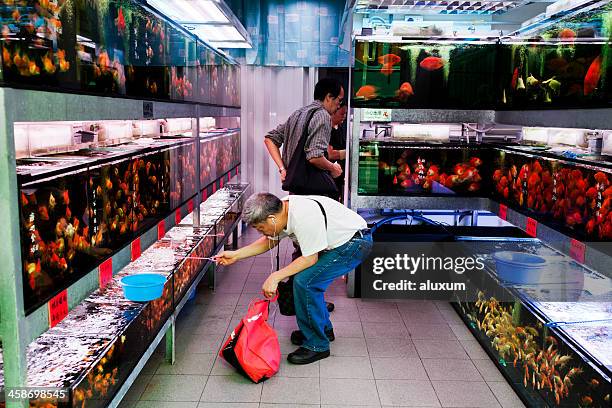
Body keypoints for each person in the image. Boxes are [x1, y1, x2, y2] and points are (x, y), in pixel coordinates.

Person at [214, 193, 373, 364]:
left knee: (305, 282)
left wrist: (275, 276)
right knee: (307, 281)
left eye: (260, 228)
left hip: (354, 244)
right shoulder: (281, 209)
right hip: (340, 243)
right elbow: (269, 241)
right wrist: (236, 255)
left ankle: (317, 344)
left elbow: (310, 258)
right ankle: (322, 330)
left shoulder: (303, 217)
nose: (261, 232)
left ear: (272, 219)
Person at [264, 77, 344, 193]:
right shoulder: (323, 115)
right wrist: (333, 168)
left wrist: (283, 169)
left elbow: (269, 139)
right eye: (339, 100)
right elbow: (314, 157)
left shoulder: (298, 113)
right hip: (311, 191)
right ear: (329, 97)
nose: (339, 106)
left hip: (295, 187)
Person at [327, 102, 348, 202]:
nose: (344, 116)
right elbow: (329, 154)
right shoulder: (326, 129)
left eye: (345, 114)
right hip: (329, 177)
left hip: (340, 177)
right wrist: (348, 153)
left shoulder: (341, 128)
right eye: (342, 114)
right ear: (333, 112)